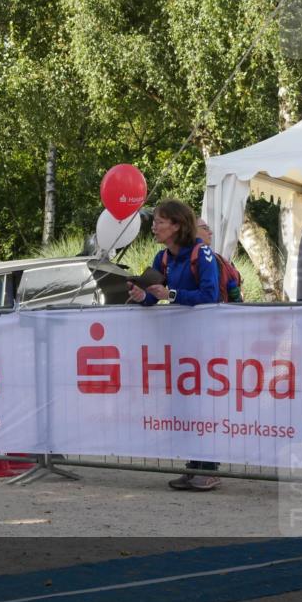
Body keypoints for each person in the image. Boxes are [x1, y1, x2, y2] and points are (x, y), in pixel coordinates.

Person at [127, 200, 221, 492]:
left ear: (177, 225)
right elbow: (153, 297)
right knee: (184, 405)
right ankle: (193, 467)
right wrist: (141, 296)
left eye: (160, 222)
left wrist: (171, 294)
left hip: (205, 343)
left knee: (203, 405)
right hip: (179, 345)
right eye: (155, 222)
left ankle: (209, 468)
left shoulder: (202, 253)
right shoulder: (162, 258)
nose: (154, 227)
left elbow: (210, 294)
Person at [196, 218, 243, 302]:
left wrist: (236, 297)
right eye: (205, 228)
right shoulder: (173, 256)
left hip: (216, 308)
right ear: (190, 231)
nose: (210, 232)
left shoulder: (216, 259)